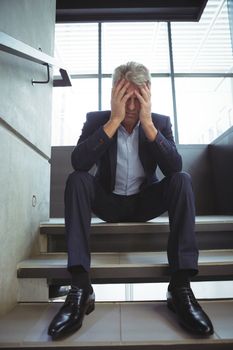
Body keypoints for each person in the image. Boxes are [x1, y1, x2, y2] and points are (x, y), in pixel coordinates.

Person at [48, 62, 214, 340]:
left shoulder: (159, 122)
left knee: (182, 178)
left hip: (143, 203)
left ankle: (180, 287)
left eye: (139, 96)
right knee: (77, 179)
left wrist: (148, 125)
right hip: (108, 202)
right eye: (127, 95)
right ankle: (80, 287)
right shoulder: (96, 120)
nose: (133, 104)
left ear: (148, 95)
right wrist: (113, 121)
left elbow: (173, 167)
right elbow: (79, 162)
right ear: (115, 92)